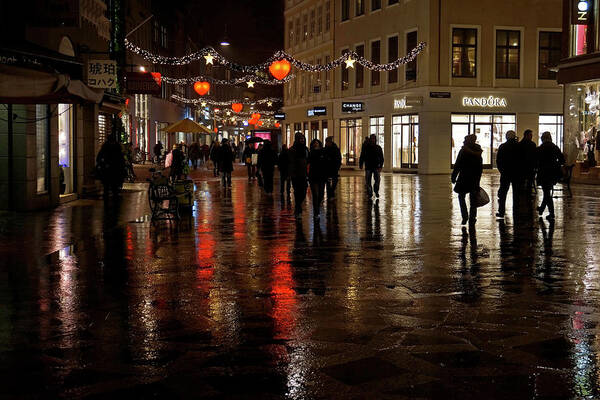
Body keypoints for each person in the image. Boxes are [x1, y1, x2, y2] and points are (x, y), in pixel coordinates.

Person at [451, 134, 483, 225]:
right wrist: (478, 178)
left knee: (461, 196)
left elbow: (458, 164)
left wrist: (454, 176)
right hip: (474, 178)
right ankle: (472, 217)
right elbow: (480, 167)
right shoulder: (478, 151)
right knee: (473, 199)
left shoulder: (463, 151)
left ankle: (465, 216)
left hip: (464, 177)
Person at [537, 131, 565, 221]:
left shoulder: (540, 148)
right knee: (547, 192)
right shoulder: (554, 147)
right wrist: (556, 165)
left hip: (543, 172)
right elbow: (562, 160)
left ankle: (551, 213)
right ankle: (543, 210)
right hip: (553, 172)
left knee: (546, 193)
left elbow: (536, 161)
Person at [495, 130, 520, 219]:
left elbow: (498, 160)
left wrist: (502, 170)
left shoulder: (503, 146)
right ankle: (516, 212)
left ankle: (501, 211)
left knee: (503, 193)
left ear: (506, 137)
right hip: (517, 173)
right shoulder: (519, 146)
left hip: (506, 173)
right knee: (516, 194)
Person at [288, 132, 309, 217]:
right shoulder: (292, 150)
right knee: (297, 191)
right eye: (301, 139)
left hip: (304, 174)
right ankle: (298, 209)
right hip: (296, 175)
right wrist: (291, 173)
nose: (302, 140)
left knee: (303, 191)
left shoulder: (306, 149)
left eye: (303, 139)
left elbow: (308, 160)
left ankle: (298, 206)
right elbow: (290, 163)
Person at [359, 134, 384, 198]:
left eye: (374, 139)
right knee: (368, 181)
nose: (373, 140)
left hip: (376, 166)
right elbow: (362, 155)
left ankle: (376, 190)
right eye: (372, 139)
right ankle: (370, 192)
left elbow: (381, 157)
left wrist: (380, 166)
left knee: (377, 180)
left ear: (375, 140)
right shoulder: (366, 148)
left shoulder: (378, 148)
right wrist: (361, 163)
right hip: (368, 166)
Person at [308, 139, 327, 221]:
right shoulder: (310, 153)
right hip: (313, 176)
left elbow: (326, 163)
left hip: (321, 176)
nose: (316, 145)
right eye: (314, 143)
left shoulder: (323, 152)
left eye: (317, 143)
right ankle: (316, 212)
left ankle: (317, 207)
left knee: (321, 194)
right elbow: (308, 163)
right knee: (315, 194)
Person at [518, 129, 538, 195]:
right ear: (527, 135)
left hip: (521, 167)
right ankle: (528, 195)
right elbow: (535, 156)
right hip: (530, 167)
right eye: (530, 135)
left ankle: (521, 194)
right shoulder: (532, 144)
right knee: (529, 182)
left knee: (521, 182)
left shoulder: (520, 144)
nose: (532, 136)